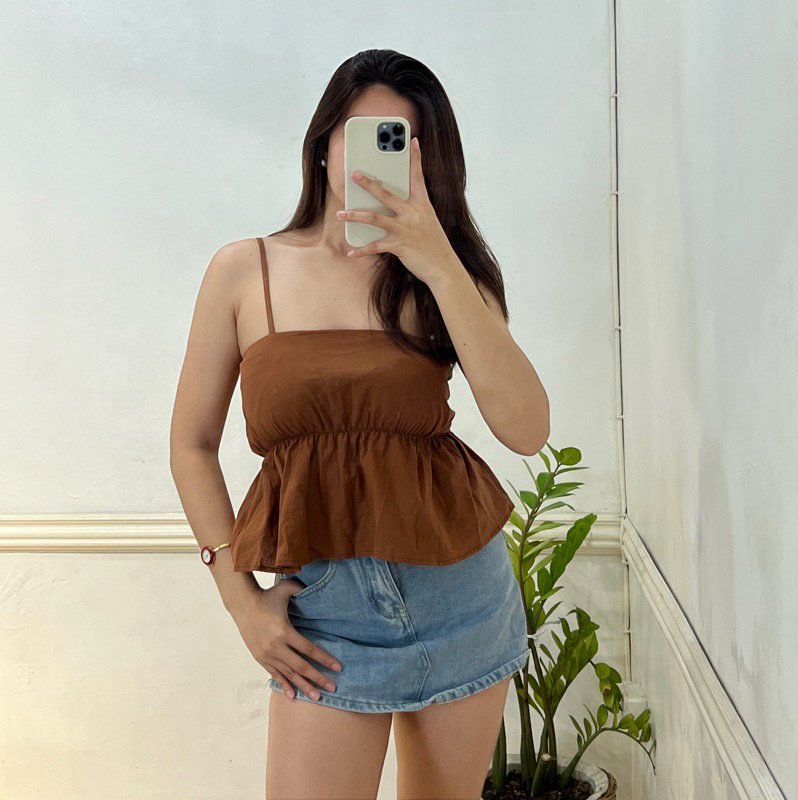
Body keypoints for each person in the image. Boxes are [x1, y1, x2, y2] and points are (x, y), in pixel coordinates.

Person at [170, 48, 549, 800]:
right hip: (327, 619)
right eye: (364, 132)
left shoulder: (448, 276)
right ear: (323, 143)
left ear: (429, 161)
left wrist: (438, 262)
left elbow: (526, 428)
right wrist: (241, 603)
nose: (377, 155)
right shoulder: (244, 270)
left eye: (401, 140)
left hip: (464, 603)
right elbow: (191, 445)